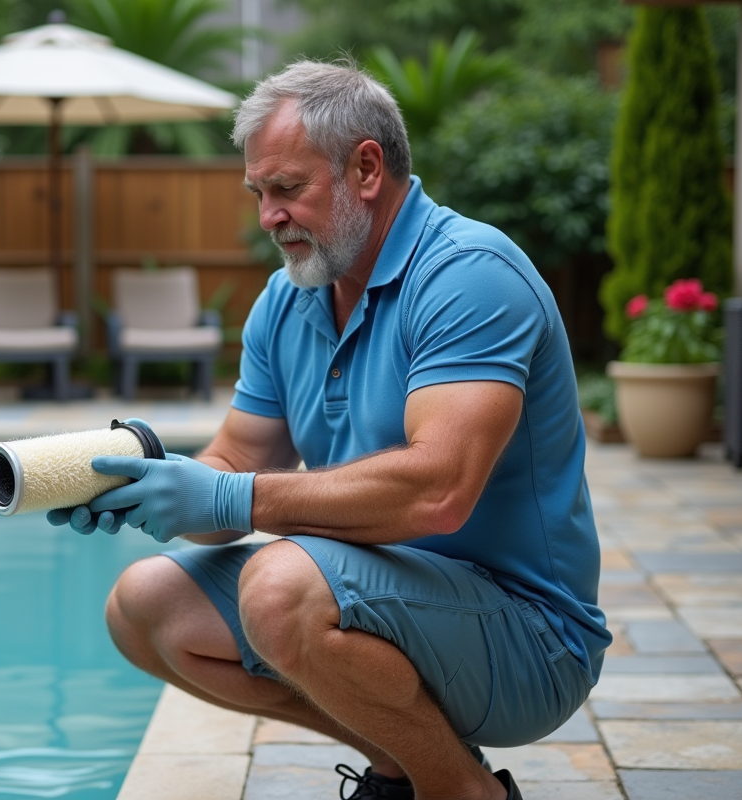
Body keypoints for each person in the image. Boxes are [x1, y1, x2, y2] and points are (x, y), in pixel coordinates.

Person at [49, 61, 609, 800]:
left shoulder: (469, 274)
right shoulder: (287, 302)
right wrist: (146, 479)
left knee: (279, 589)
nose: (267, 217)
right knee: (144, 606)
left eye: (287, 189)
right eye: (258, 193)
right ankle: (406, 767)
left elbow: (438, 491)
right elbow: (238, 459)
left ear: (366, 169)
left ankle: (461, 793)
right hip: (386, 601)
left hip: (529, 640)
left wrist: (229, 500)